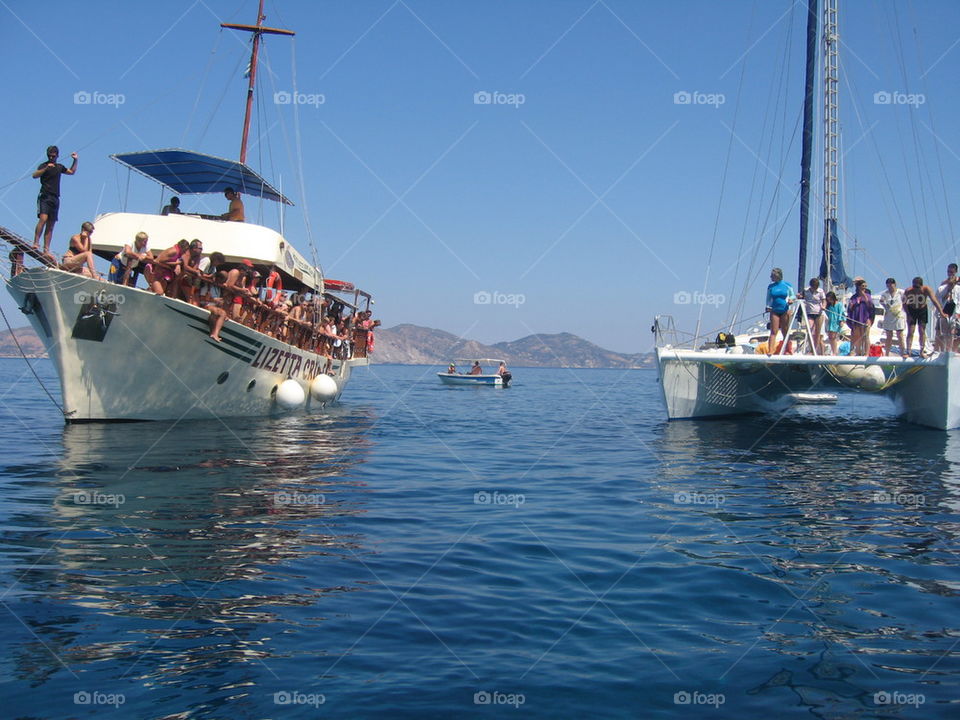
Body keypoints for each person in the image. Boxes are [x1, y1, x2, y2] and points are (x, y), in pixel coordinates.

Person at [32, 145, 77, 253]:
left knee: (51, 224)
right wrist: (46, 168)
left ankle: (46, 249)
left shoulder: (59, 167)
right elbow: (34, 175)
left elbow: (71, 172)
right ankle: (36, 242)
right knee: (43, 219)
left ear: (57, 155)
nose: (51, 158)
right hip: (45, 196)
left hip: (55, 197)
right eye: (50, 156)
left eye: (53, 156)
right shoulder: (43, 165)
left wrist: (75, 160)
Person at [903, 276, 944, 358]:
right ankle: (908, 351)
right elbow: (904, 304)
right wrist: (908, 315)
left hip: (922, 310)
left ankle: (921, 352)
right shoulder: (908, 291)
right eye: (914, 286)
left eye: (917, 287)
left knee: (922, 331)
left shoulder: (926, 289)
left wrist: (941, 312)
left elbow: (934, 301)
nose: (915, 289)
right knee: (911, 331)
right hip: (912, 310)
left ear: (921, 286)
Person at [765, 267, 795, 354]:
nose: (771, 277)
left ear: (777, 276)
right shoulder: (771, 287)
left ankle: (788, 349)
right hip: (774, 310)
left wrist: (791, 300)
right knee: (774, 331)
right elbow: (768, 299)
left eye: (772, 276)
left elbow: (792, 295)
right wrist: (768, 306)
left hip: (785, 310)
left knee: (785, 330)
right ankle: (771, 350)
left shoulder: (787, 285)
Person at [879, 278, 907, 358]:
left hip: (899, 316)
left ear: (895, 284)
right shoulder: (885, 293)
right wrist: (886, 306)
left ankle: (903, 352)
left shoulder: (901, 292)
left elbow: (906, 300)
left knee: (900, 334)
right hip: (889, 316)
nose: (890, 286)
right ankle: (887, 354)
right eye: (888, 285)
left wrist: (903, 308)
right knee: (889, 335)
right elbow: (881, 301)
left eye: (891, 284)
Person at [846, 277, 874, 355]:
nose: (864, 288)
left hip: (865, 318)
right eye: (862, 286)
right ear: (858, 287)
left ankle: (866, 353)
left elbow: (870, 306)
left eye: (865, 286)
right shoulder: (854, 297)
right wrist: (851, 306)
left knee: (865, 336)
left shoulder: (867, 296)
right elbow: (850, 308)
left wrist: (863, 295)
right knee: (856, 336)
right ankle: (858, 352)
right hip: (856, 318)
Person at [935, 264, 959, 352]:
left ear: (956, 271)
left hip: (955, 311)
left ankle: (951, 351)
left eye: (951, 272)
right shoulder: (944, 284)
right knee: (939, 331)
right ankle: (938, 351)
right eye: (948, 272)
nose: (950, 274)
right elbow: (939, 297)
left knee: (954, 333)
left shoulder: (958, 283)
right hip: (943, 310)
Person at [800, 277, 826, 354]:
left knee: (818, 332)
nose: (815, 288)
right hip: (810, 313)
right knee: (810, 330)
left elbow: (824, 301)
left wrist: (824, 306)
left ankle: (814, 349)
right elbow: (802, 296)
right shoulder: (806, 290)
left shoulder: (820, 291)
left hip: (819, 313)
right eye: (814, 286)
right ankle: (811, 348)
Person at [824, 291, 845, 355]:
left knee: (833, 337)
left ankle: (835, 352)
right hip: (830, 322)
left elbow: (842, 313)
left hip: (836, 322)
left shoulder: (839, 304)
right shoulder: (829, 306)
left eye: (830, 299)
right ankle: (834, 351)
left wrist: (842, 320)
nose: (829, 300)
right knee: (830, 337)